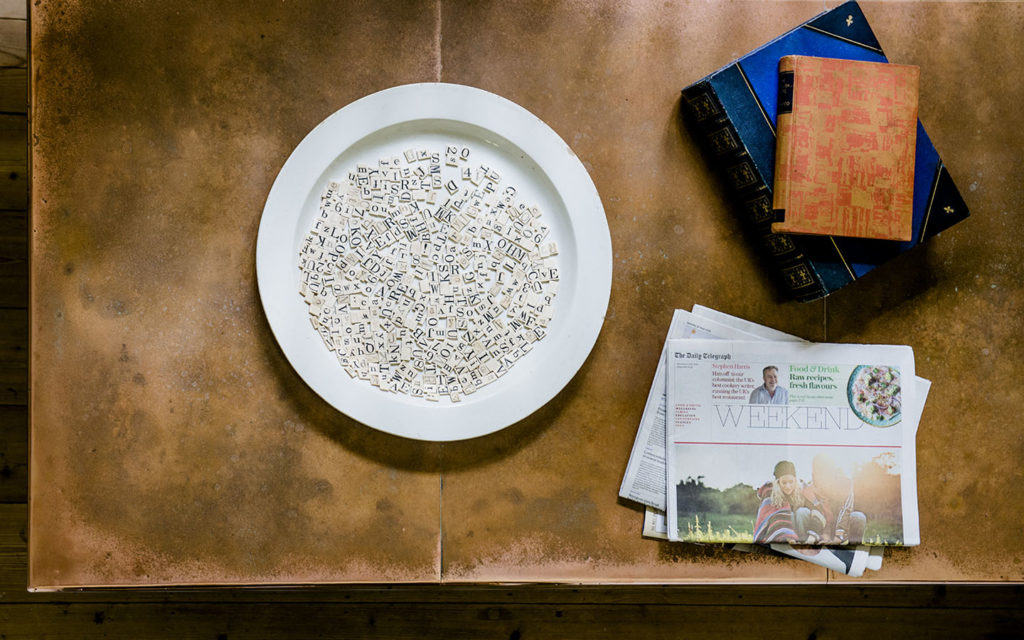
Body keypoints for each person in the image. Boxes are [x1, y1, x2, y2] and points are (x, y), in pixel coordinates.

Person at [797, 453, 867, 545]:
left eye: (826, 471)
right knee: (802, 512)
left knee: (858, 517)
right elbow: (817, 514)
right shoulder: (809, 491)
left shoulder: (845, 484)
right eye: (819, 472)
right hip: (818, 529)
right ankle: (806, 545)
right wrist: (824, 535)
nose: (823, 476)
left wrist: (838, 536)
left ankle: (852, 550)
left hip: (839, 527)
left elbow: (846, 509)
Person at [753, 460, 804, 543]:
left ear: (795, 480)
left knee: (803, 512)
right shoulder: (770, 493)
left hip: (798, 532)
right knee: (785, 515)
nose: (788, 486)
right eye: (784, 483)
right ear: (778, 482)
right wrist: (787, 536)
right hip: (776, 533)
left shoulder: (800, 491)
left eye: (791, 482)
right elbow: (773, 517)